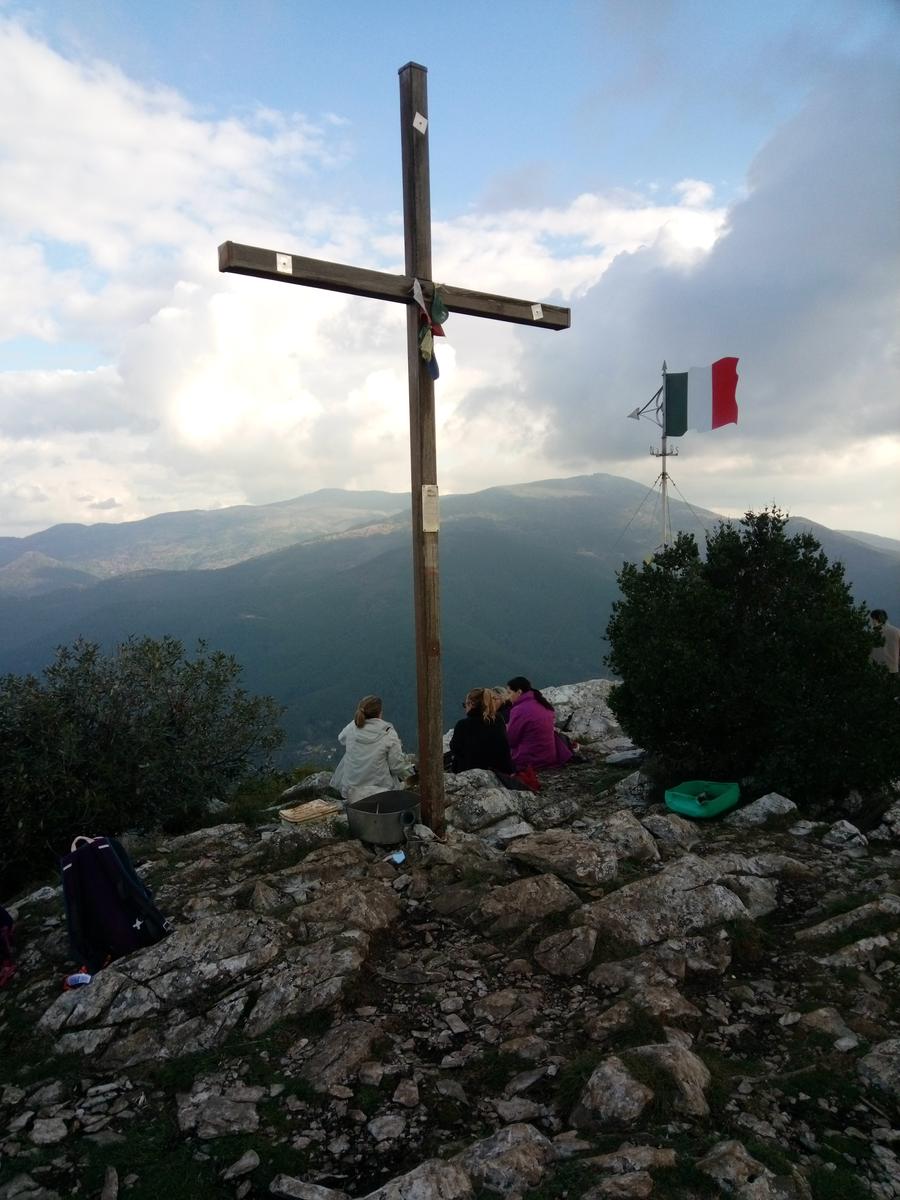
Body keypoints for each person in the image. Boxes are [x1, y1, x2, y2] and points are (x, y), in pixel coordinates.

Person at [331, 695, 413, 800]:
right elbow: (396, 766)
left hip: (350, 791)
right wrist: (410, 773)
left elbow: (341, 739)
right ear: (380, 713)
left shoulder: (352, 727)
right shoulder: (388, 733)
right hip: (380, 792)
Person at [505, 675, 573, 771]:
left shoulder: (518, 710)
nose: (508, 697)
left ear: (519, 692)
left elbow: (511, 740)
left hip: (529, 761)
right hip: (549, 758)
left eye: (509, 693)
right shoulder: (543, 704)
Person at [449, 687, 514, 774]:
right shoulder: (498, 719)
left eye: (465, 705)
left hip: (471, 770)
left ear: (471, 704)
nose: (465, 709)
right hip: (499, 771)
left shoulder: (463, 724)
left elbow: (455, 748)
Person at [870, 609, 900, 673]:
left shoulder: (873, 633)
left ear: (875, 620)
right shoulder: (897, 631)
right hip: (893, 668)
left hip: (877, 669)